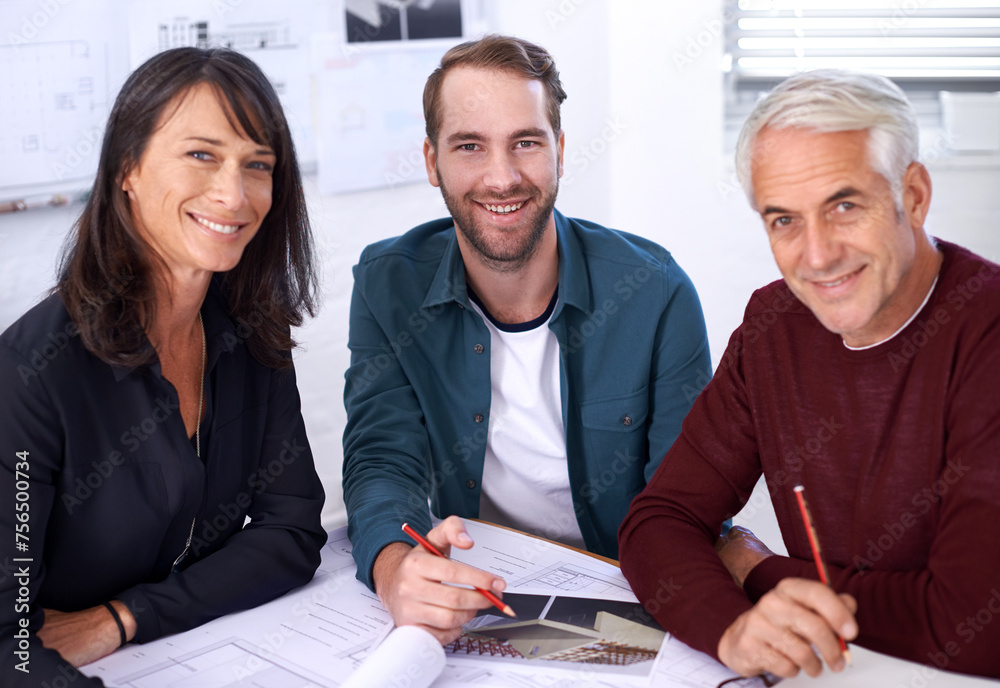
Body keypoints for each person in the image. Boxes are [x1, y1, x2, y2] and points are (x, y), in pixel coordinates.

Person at [619, 68, 1000, 680]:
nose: (818, 255)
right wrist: (733, 629)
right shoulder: (773, 326)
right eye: (784, 220)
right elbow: (658, 521)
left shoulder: (986, 338)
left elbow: (969, 626)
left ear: (914, 195)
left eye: (844, 206)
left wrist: (757, 574)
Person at [342, 34, 712, 643]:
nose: (502, 176)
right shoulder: (388, 286)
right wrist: (393, 567)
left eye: (526, 142)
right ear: (432, 161)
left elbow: (684, 501)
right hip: (479, 591)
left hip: (627, 591)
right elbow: (383, 459)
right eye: (469, 146)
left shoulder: (656, 292)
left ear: (560, 152)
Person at [0, 48, 326, 686]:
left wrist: (123, 618)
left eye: (256, 165)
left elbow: (290, 532)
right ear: (129, 167)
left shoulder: (251, 334)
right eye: (201, 154)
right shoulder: (30, 374)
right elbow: (9, 643)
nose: (233, 194)